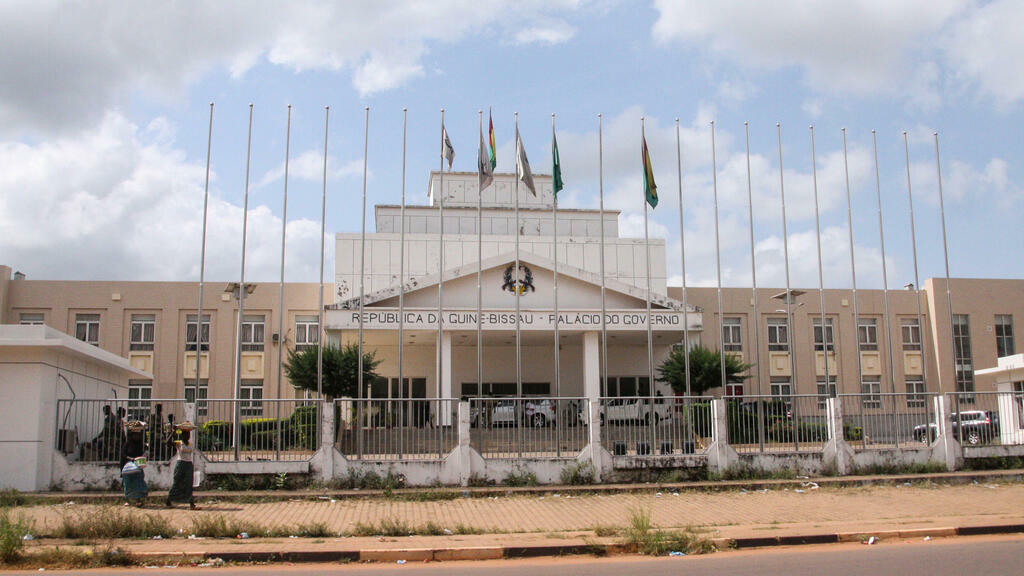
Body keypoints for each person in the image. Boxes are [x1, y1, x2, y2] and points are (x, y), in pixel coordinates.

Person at [166, 421, 198, 509]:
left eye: (188, 435)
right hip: (181, 463)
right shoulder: (179, 443)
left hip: (188, 464)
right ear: (182, 435)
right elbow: (167, 442)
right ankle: (169, 499)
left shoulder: (190, 444)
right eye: (185, 435)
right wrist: (173, 432)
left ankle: (191, 503)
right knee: (177, 482)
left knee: (188, 483)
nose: (187, 436)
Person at [120, 420, 148, 506]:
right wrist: (131, 459)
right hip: (128, 468)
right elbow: (123, 455)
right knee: (128, 484)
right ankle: (128, 500)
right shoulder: (127, 444)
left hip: (138, 467)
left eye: (138, 435)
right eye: (135, 435)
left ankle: (139, 500)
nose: (137, 437)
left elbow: (144, 455)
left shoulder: (141, 445)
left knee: (138, 483)